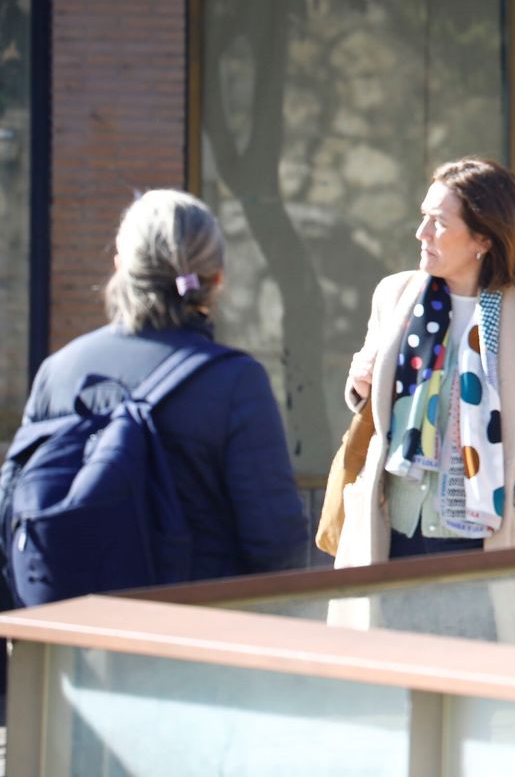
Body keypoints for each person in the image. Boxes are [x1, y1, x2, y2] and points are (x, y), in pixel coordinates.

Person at [337, 158, 515, 641]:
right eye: (423, 216)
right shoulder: (395, 295)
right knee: (392, 695)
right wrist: (358, 386)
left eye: (439, 222)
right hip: (391, 537)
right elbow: (375, 406)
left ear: (485, 238)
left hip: (483, 547)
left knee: (471, 700)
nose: (422, 232)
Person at [8, 189, 306, 584]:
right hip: (189, 632)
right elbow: (276, 546)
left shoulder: (56, 372)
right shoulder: (235, 382)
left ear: (120, 267)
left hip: (71, 633)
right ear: (217, 278)